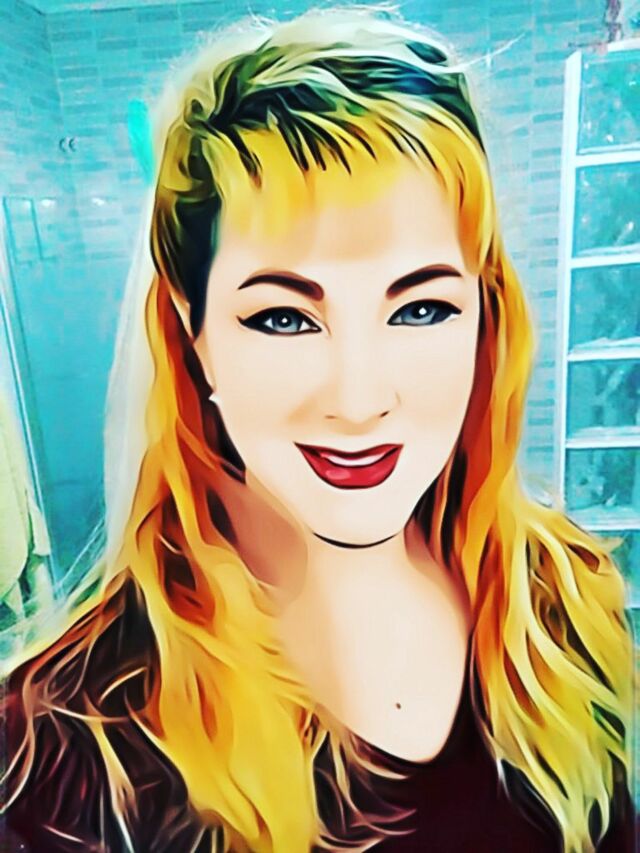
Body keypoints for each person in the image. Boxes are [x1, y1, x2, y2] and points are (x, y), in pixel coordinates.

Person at [0, 5, 635, 852]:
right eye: (284, 318)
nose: (359, 398)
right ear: (193, 333)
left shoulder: (560, 598)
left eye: (420, 308)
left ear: (487, 323)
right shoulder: (58, 750)